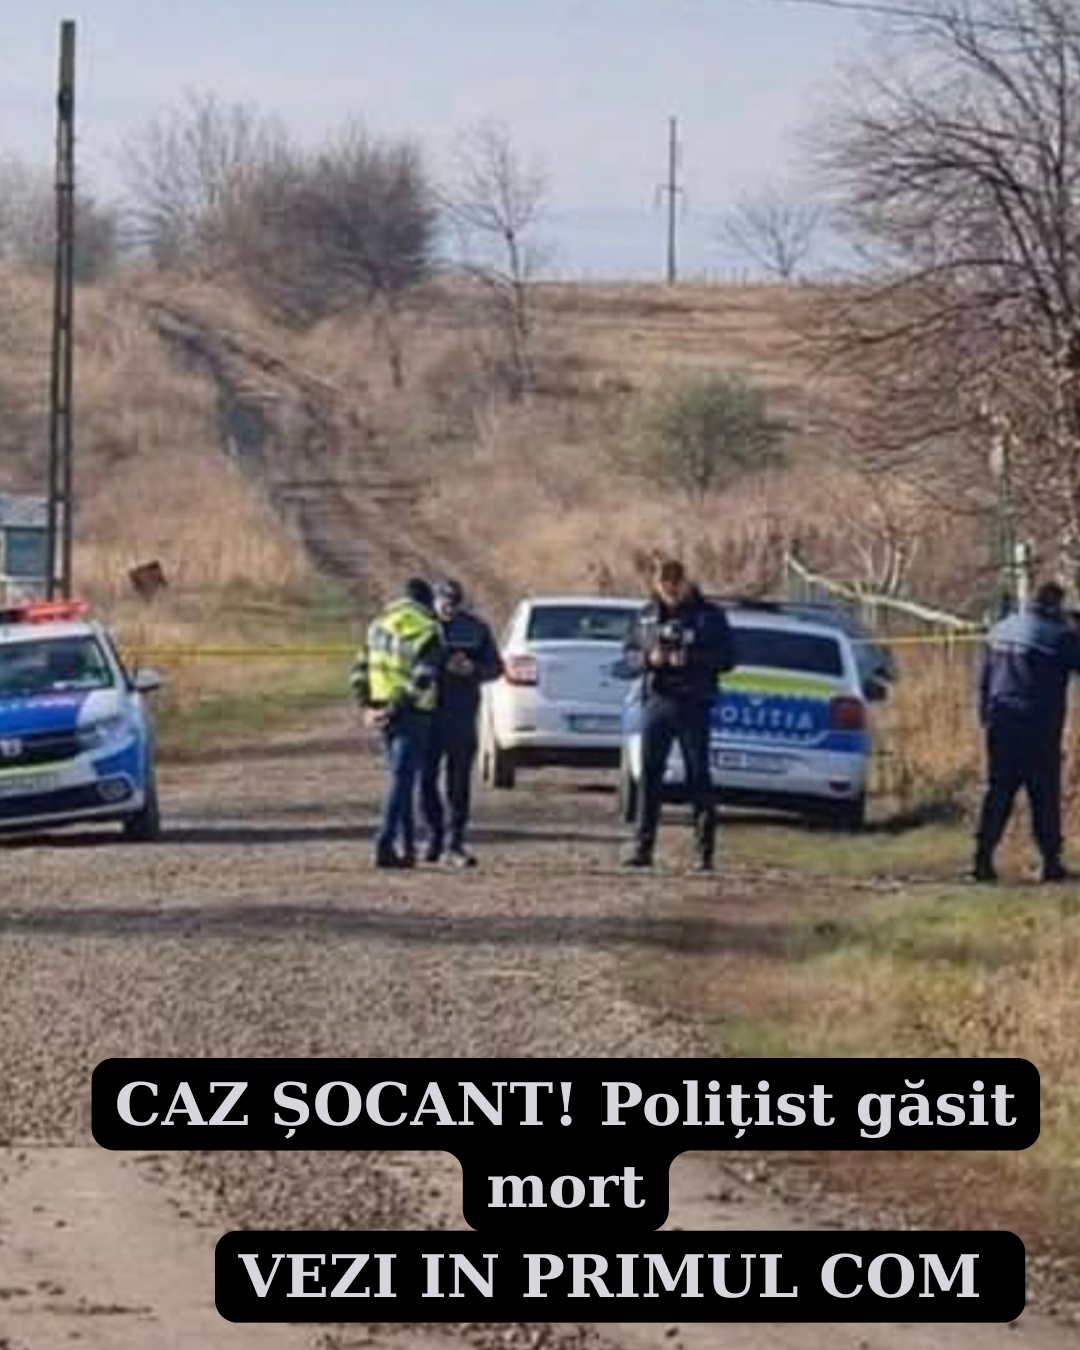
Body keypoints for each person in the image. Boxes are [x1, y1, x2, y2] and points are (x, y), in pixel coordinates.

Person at [622, 557, 736, 871]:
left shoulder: (709, 616)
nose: (670, 589)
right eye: (664, 583)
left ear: (686, 582)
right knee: (649, 776)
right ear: (656, 584)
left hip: (693, 702)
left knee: (698, 777)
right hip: (657, 701)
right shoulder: (646, 616)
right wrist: (649, 659)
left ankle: (704, 853)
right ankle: (642, 849)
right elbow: (626, 659)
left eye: (676, 582)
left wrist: (692, 658)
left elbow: (728, 658)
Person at [973, 580, 1080, 883]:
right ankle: (1051, 861)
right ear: (1055, 606)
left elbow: (983, 678)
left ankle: (982, 858)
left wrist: (984, 714)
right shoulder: (1058, 637)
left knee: (998, 792)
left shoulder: (1001, 629)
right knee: (1044, 796)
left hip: (1001, 722)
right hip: (1038, 728)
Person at [350, 579, 443, 869]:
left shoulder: (378, 625)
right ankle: (385, 841)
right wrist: (395, 707)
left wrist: (367, 706)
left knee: (400, 781)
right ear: (427, 602)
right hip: (412, 712)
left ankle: (407, 848)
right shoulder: (428, 629)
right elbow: (423, 677)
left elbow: (359, 670)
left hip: (380, 710)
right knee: (403, 780)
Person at [420, 578, 503, 868]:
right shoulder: (420, 626)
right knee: (425, 780)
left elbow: (496, 667)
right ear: (434, 601)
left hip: (461, 713)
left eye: (453, 603)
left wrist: (472, 669)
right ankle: (434, 835)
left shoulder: (476, 629)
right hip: (426, 713)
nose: (448, 608)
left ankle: (455, 841)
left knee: (459, 783)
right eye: (444, 602)